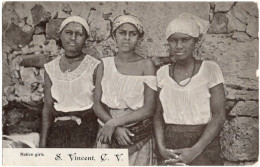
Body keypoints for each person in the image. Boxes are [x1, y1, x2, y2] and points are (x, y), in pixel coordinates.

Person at [154, 13, 226, 166]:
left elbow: (219, 115)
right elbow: (158, 114)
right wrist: (161, 147)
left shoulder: (210, 69)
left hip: (203, 144)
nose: (179, 46)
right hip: (170, 143)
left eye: (185, 40)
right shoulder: (162, 73)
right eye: (173, 40)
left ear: (196, 42)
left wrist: (195, 150)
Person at [93, 14, 157, 165]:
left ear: (139, 38)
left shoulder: (146, 65)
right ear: (114, 36)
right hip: (108, 130)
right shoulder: (104, 64)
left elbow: (149, 108)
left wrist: (115, 123)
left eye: (133, 34)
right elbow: (96, 104)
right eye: (122, 33)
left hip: (136, 131)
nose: (127, 38)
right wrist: (112, 126)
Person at [39, 16, 100, 148]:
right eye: (68, 33)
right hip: (58, 132)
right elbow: (47, 108)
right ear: (60, 36)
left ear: (85, 39)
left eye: (79, 34)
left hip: (86, 131)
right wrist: (42, 145)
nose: (73, 37)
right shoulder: (51, 68)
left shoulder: (94, 66)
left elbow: (100, 105)